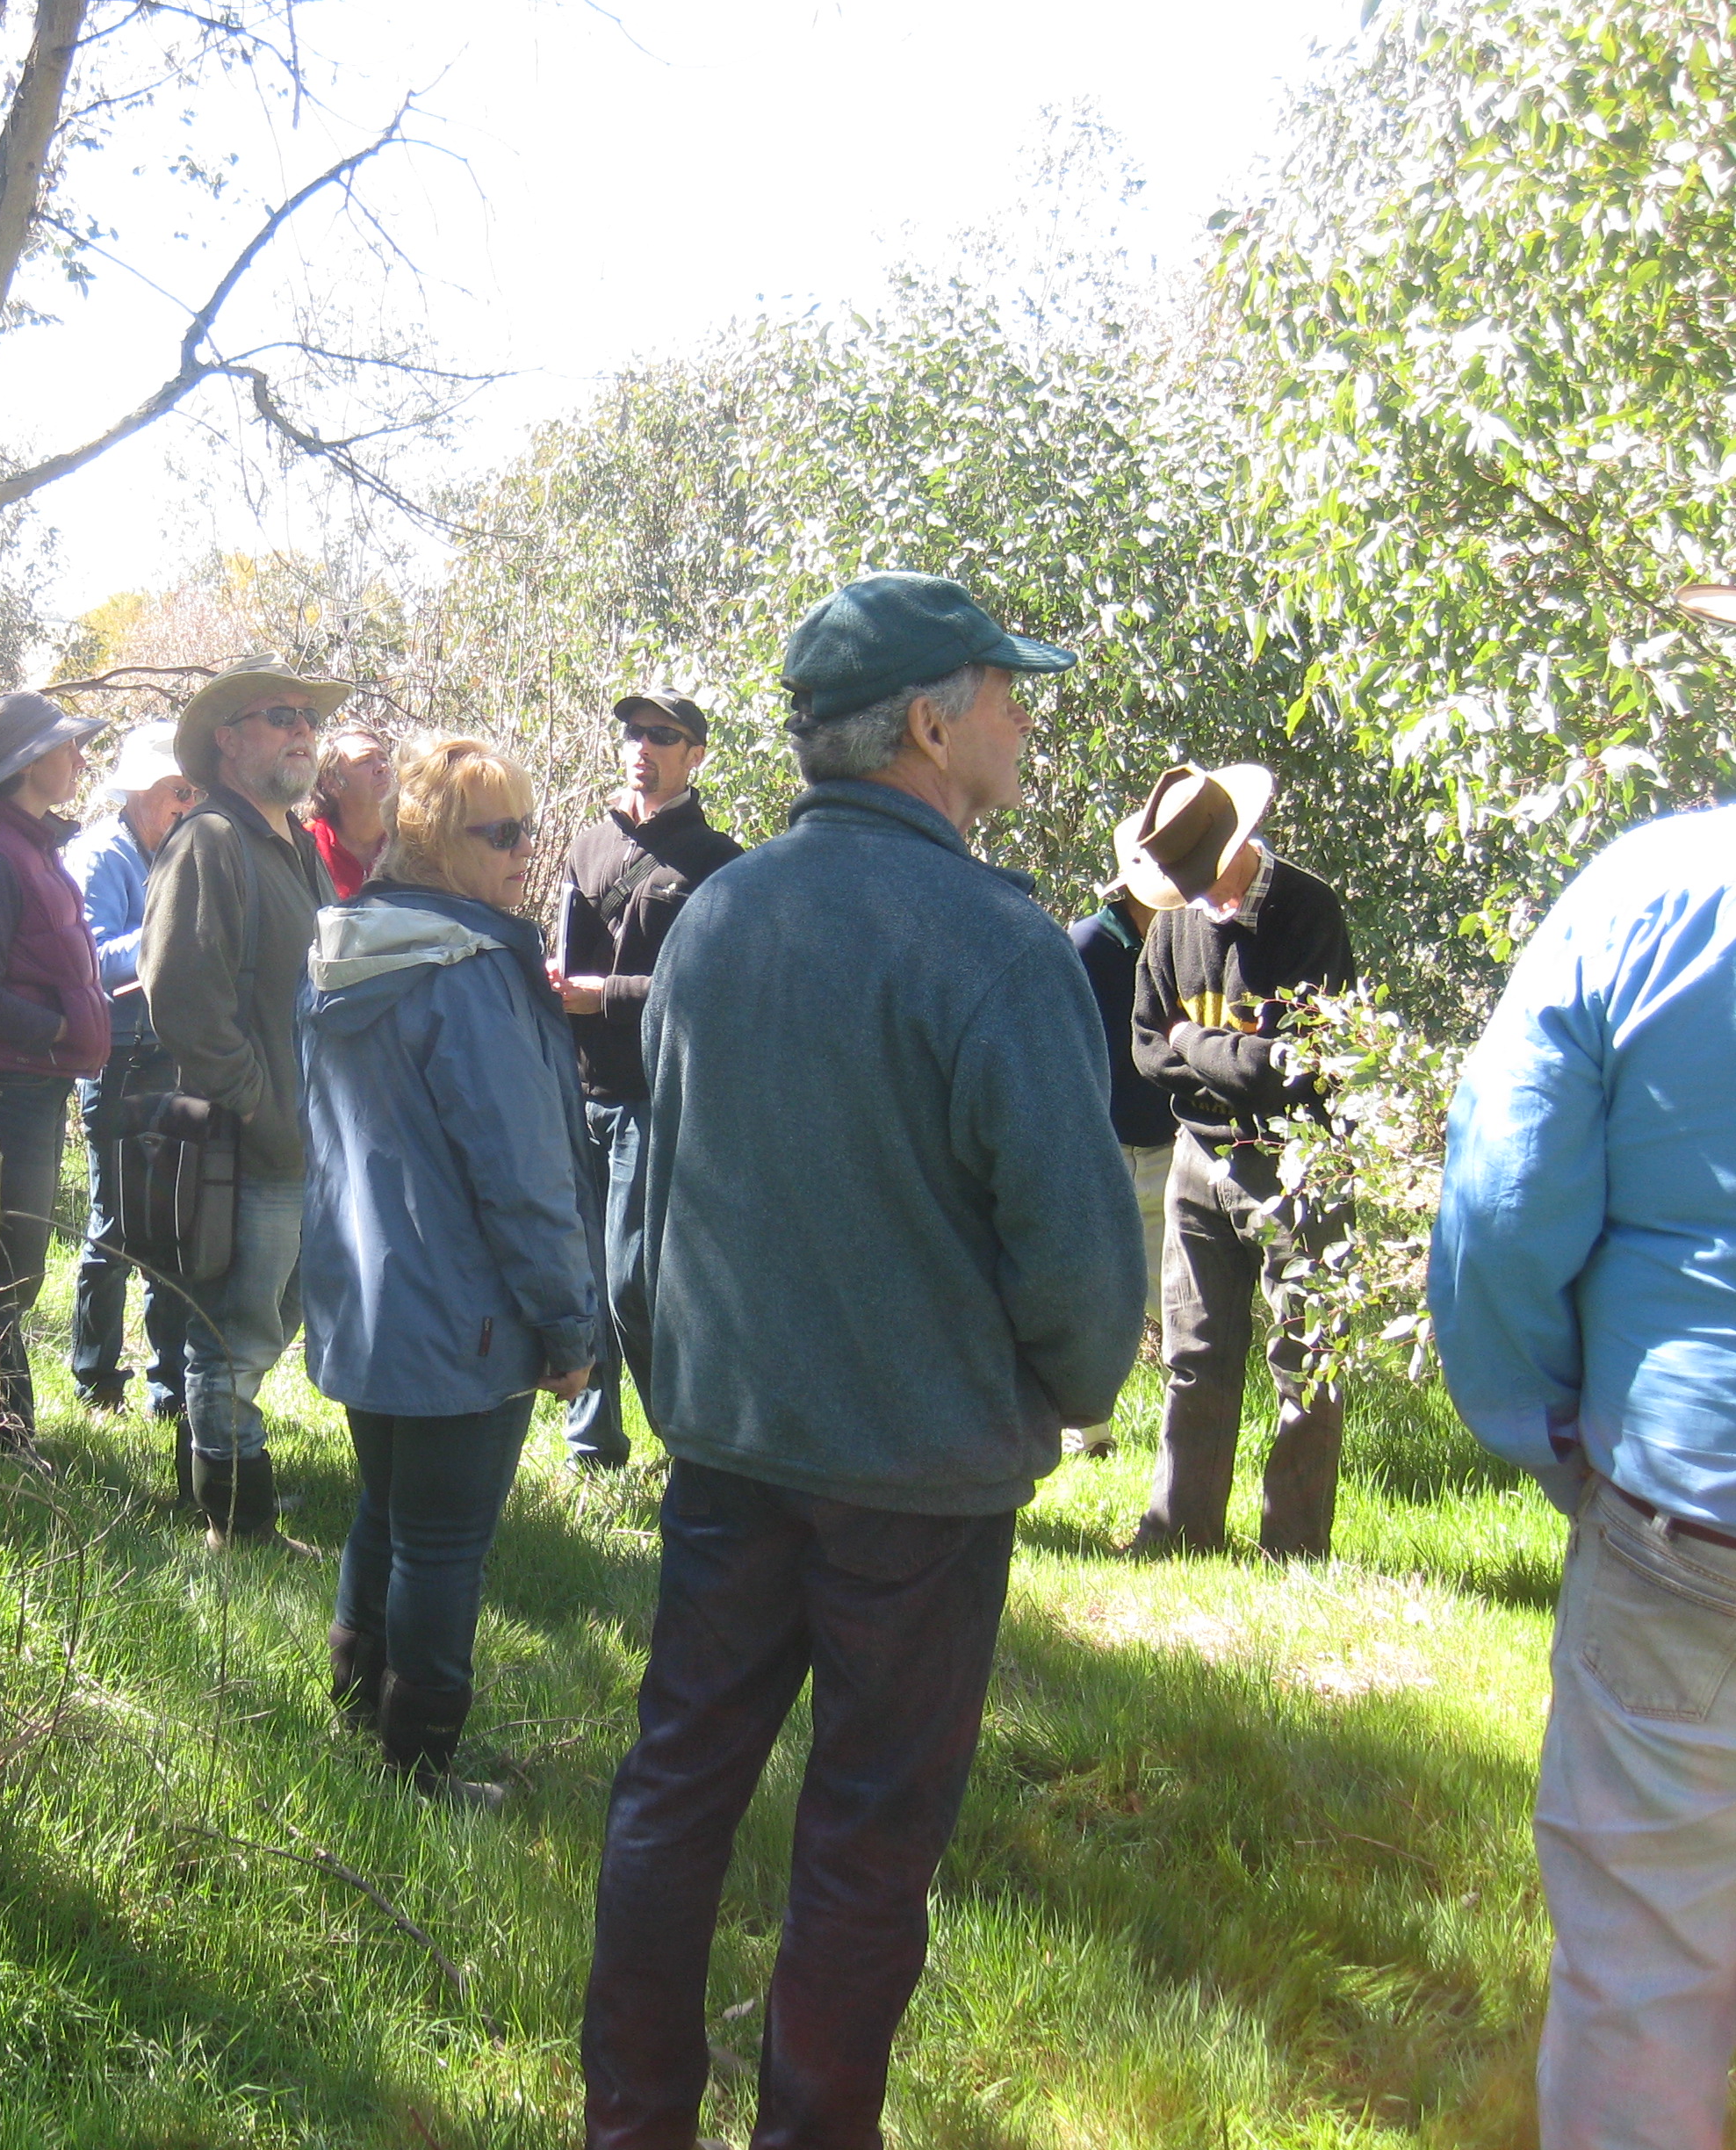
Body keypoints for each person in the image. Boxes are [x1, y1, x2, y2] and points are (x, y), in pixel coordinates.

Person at [580, 572, 1142, 2148]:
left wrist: (671, 1376)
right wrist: (1060, 1395)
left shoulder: (720, 914)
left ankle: (626, 2125)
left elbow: (647, 1194)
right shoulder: (993, 940)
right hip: (912, 1474)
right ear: (924, 721)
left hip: (731, 1444)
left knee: (673, 1786)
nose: (1022, 715)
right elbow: (1078, 1266)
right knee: (864, 1837)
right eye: (1000, 688)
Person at [1430, 738, 1736, 2149]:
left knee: (1643, 1994)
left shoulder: (1656, 892)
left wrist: (1549, 1432)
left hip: (1690, 1520)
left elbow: (1502, 1200)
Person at [299, 735, 598, 1804]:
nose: (526, 853)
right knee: (441, 1543)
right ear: (435, 841)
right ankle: (419, 1766)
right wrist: (569, 1329)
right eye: (502, 833)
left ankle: (357, 1713)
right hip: (460, 1309)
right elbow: (523, 1177)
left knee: (386, 1511)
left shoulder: (345, 949)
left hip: (370, 1298)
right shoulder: (464, 975)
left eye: (529, 828)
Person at [140, 655, 350, 1549]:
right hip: (249, 1144)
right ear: (229, 743)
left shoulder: (294, 844)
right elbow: (186, 1005)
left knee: (260, 1329)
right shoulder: (211, 842)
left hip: (303, 1145)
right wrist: (267, 1114)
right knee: (231, 1339)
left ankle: (218, 1486)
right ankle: (237, 1521)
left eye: (307, 715)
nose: (302, 728)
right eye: (279, 714)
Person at [1123, 761, 1358, 1559]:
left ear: (1244, 841)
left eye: (1211, 879)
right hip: (1198, 1159)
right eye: (1188, 885)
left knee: (1307, 1364)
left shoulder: (1307, 912)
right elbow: (1146, 1050)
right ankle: (1177, 1534)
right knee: (1193, 1358)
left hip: (1297, 1167)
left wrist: (1194, 1040)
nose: (1204, 900)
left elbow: (1287, 1071)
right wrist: (1216, 1051)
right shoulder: (1173, 927)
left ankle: (1294, 1549)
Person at [551, 691, 744, 1472]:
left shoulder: (720, 862)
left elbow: (717, 988)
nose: (643, 745)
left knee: (634, 1278)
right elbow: (561, 953)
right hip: (575, 1090)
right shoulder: (585, 844)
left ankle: (683, 1434)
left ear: (696, 755)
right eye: (633, 731)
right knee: (581, 1271)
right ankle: (594, 1443)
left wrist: (608, 995)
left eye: (665, 736)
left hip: (653, 1098)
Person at [0, 691, 113, 1450]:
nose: (79, 756)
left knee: (18, 1264)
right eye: (67, 745)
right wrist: (67, 1031)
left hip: (28, 1085)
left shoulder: (31, 845)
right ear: (28, 762)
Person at [61, 721, 199, 1447]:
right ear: (145, 791)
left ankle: (171, 1387)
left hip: (177, 1053)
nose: (189, 803)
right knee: (114, 1226)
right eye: (181, 790)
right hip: (117, 1058)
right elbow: (87, 957)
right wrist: (172, 934)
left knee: (176, 1226)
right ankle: (96, 1378)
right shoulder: (97, 856)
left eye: (194, 792)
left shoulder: (176, 853)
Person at [1059, 812, 1180, 1460]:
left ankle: (1184, 1440)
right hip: (1102, 1153)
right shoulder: (1083, 949)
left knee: (1181, 1304)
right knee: (1092, 1303)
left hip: (1171, 1146)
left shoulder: (1183, 939)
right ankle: (1087, 1436)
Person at [304, 724, 394, 899]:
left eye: (383, 758)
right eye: (364, 761)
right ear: (331, 783)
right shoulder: (305, 847)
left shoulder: (412, 842)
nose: (381, 767)